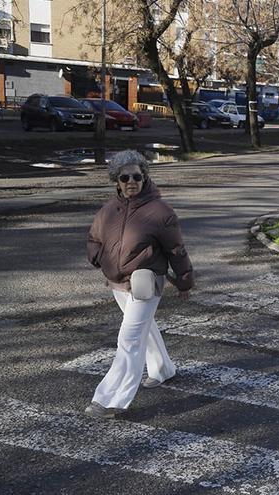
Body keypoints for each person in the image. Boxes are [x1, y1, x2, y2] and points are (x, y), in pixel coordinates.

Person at [84, 150, 194, 419]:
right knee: (145, 328)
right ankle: (163, 369)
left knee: (129, 339)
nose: (131, 181)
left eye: (137, 176)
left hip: (145, 283)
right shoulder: (109, 209)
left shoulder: (160, 211)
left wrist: (184, 281)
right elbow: (94, 238)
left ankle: (111, 400)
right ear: (117, 181)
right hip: (117, 283)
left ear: (145, 177)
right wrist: (99, 258)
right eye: (125, 177)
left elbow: (176, 250)